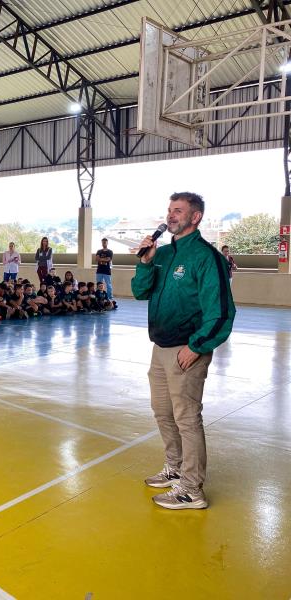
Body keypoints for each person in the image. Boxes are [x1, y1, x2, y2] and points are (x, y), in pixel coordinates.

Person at [131, 192, 235, 510]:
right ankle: (175, 469)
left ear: (195, 217)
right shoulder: (162, 254)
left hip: (186, 349)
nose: (171, 215)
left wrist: (197, 346)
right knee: (163, 413)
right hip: (159, 347)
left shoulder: (206, 257)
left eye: (178, 211)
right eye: (169, 210)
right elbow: (139, 292)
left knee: (187, 418)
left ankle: (191, 489)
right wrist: (146, 263)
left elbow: (221, 311)